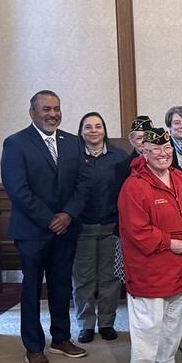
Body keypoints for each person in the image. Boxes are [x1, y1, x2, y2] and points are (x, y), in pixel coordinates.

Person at [1, 90, 92, 363]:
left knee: (62, 285)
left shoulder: (74, 142)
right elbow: (17, 189)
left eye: (57, 108)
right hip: (31, 230)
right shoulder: (16, 143)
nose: (53, 114)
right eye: (46, 109)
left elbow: (84, 182)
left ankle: (61, 338)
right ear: (33, 113)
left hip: (66, 229)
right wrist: (49, 218)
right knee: (31, 289)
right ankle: (33, 346)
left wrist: (67, 214)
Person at [118, 127, 182, 363]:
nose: (162, 153)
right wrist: (170, 243)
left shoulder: (181, 178)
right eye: (155, 149)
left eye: (167, 148)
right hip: (151, 266)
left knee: (175, 317)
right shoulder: (134, 186)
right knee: (149, 321)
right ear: (144, 152)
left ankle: (164, 359)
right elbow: (137, 230)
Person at [73, 112, 129, 344]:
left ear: (105, 130)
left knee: (110, 278)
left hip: (111, 226)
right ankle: (85, 324)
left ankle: (106, 322)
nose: (94, 131)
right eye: (88, 127)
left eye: (98, 126)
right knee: (83, 279)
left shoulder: (119, 156)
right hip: (82, 227)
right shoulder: (73, 156)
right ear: (82, 131)